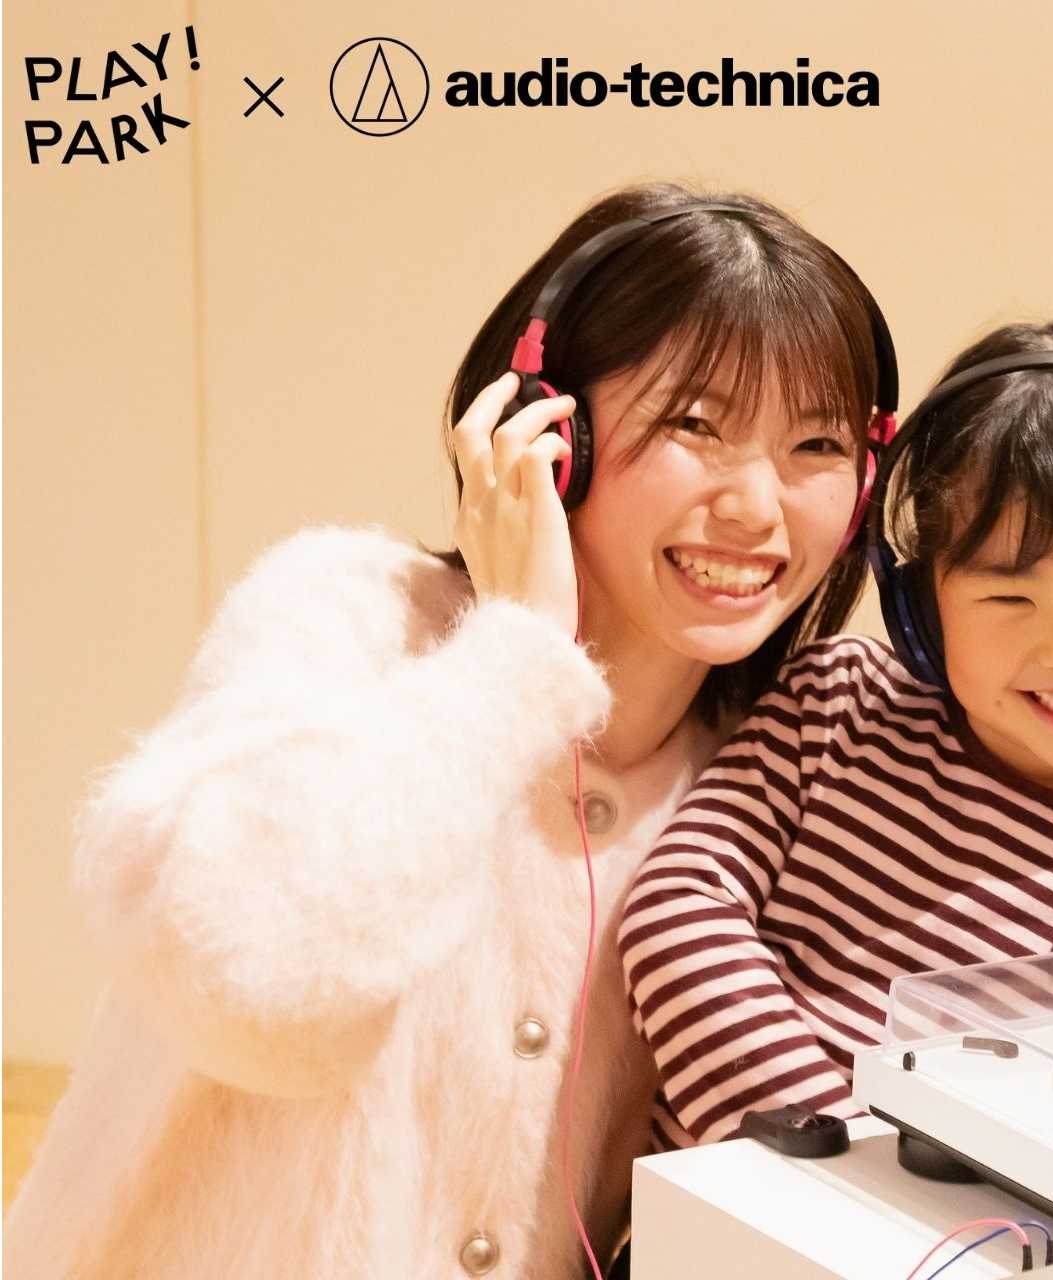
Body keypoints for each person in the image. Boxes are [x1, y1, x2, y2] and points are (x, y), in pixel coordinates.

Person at [2, 183, 895, 1279]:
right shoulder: (345, 614)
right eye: (695, 425)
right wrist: (515, 656)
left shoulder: (775, 766)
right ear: (546, 431)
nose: (757, 507)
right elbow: (252, 989)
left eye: (816, 444)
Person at [620, 316, 1053, 1150]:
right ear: (922, 606)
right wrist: (830, 1164)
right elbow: (675, 911)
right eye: (1010, 599)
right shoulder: (838, 709)